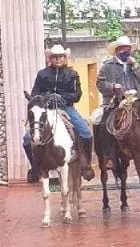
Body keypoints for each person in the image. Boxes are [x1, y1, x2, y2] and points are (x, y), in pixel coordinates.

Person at [23, 44, 94, 183]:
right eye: (55, 57)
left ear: (65, 58)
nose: (58, 59)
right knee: (27, 140)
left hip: (66, 107)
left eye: (60, 57)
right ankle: (35, 167)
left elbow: (77, 95)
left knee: (85, 132)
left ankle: (86, 165)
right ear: (50, 59)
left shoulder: (72, 74)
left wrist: (62, 97)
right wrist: (44, 99)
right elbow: (35, 93)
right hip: (46, 109)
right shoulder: (42, 74)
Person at [94, 36, 140, 118]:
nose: (127, 52)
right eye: (124, 49)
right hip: (115, 103)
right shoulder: (107, 66)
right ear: (117, 50)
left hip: (136, 101)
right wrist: (112, 87)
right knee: (102, 121)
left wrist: (136, 67)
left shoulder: (134, 64)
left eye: (128, 50)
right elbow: (100, 84)